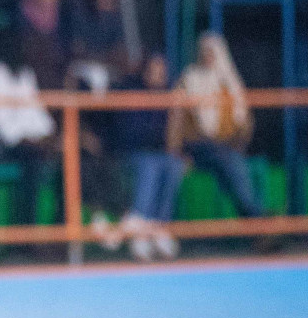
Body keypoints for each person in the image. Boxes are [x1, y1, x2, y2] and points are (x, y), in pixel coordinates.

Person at [171, 32, 266, 222]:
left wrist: (239, 142)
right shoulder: (187, 80)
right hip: (198, 147)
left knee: (230, 160)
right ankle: (259, 221)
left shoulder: (231, 83)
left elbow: (246, 122)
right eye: (204, 52)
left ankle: (257, 222)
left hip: (228, 147)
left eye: (211, 52)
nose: (207, 56)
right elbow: (176, 121)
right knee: (228, 160)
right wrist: (175, 151)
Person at [0, 26, 56, 226]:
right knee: (32, 159)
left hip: (23, 143)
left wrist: (49, 136)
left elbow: (36, 112)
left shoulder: (24, 73)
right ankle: (26, 233)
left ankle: (56, 234)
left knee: (55, 156)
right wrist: (29, 141)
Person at [109, 53, 185, 261]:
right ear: (145, 70)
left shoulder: (169, 96)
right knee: (150, 165)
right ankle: (140, 234)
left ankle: (160, 229)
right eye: (153, 69)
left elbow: (174, 137)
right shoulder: (132, 92)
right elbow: (130, 132)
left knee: (174, 164)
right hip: (134, 153)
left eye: (161, 70)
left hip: (161, 155)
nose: (157, 74)